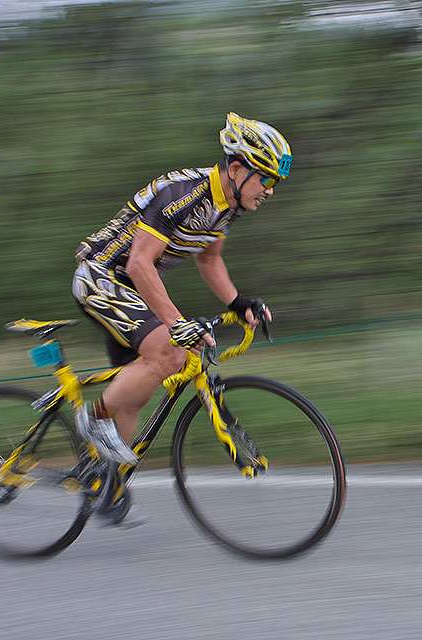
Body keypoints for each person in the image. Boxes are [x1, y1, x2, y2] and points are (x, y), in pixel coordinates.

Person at [71, 112, 288, 470]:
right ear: (235, 169)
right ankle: (94, 419)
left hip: (134, 288)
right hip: (102, 277)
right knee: (171, 356)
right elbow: (139, 263)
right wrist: (176, 324)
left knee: (138, 390)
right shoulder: (184, 193)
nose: (269, 190)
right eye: (265, 178)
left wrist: (237, 302)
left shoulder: (226, 206)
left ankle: (101, 485)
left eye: (274, 182)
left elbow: (209, 260)